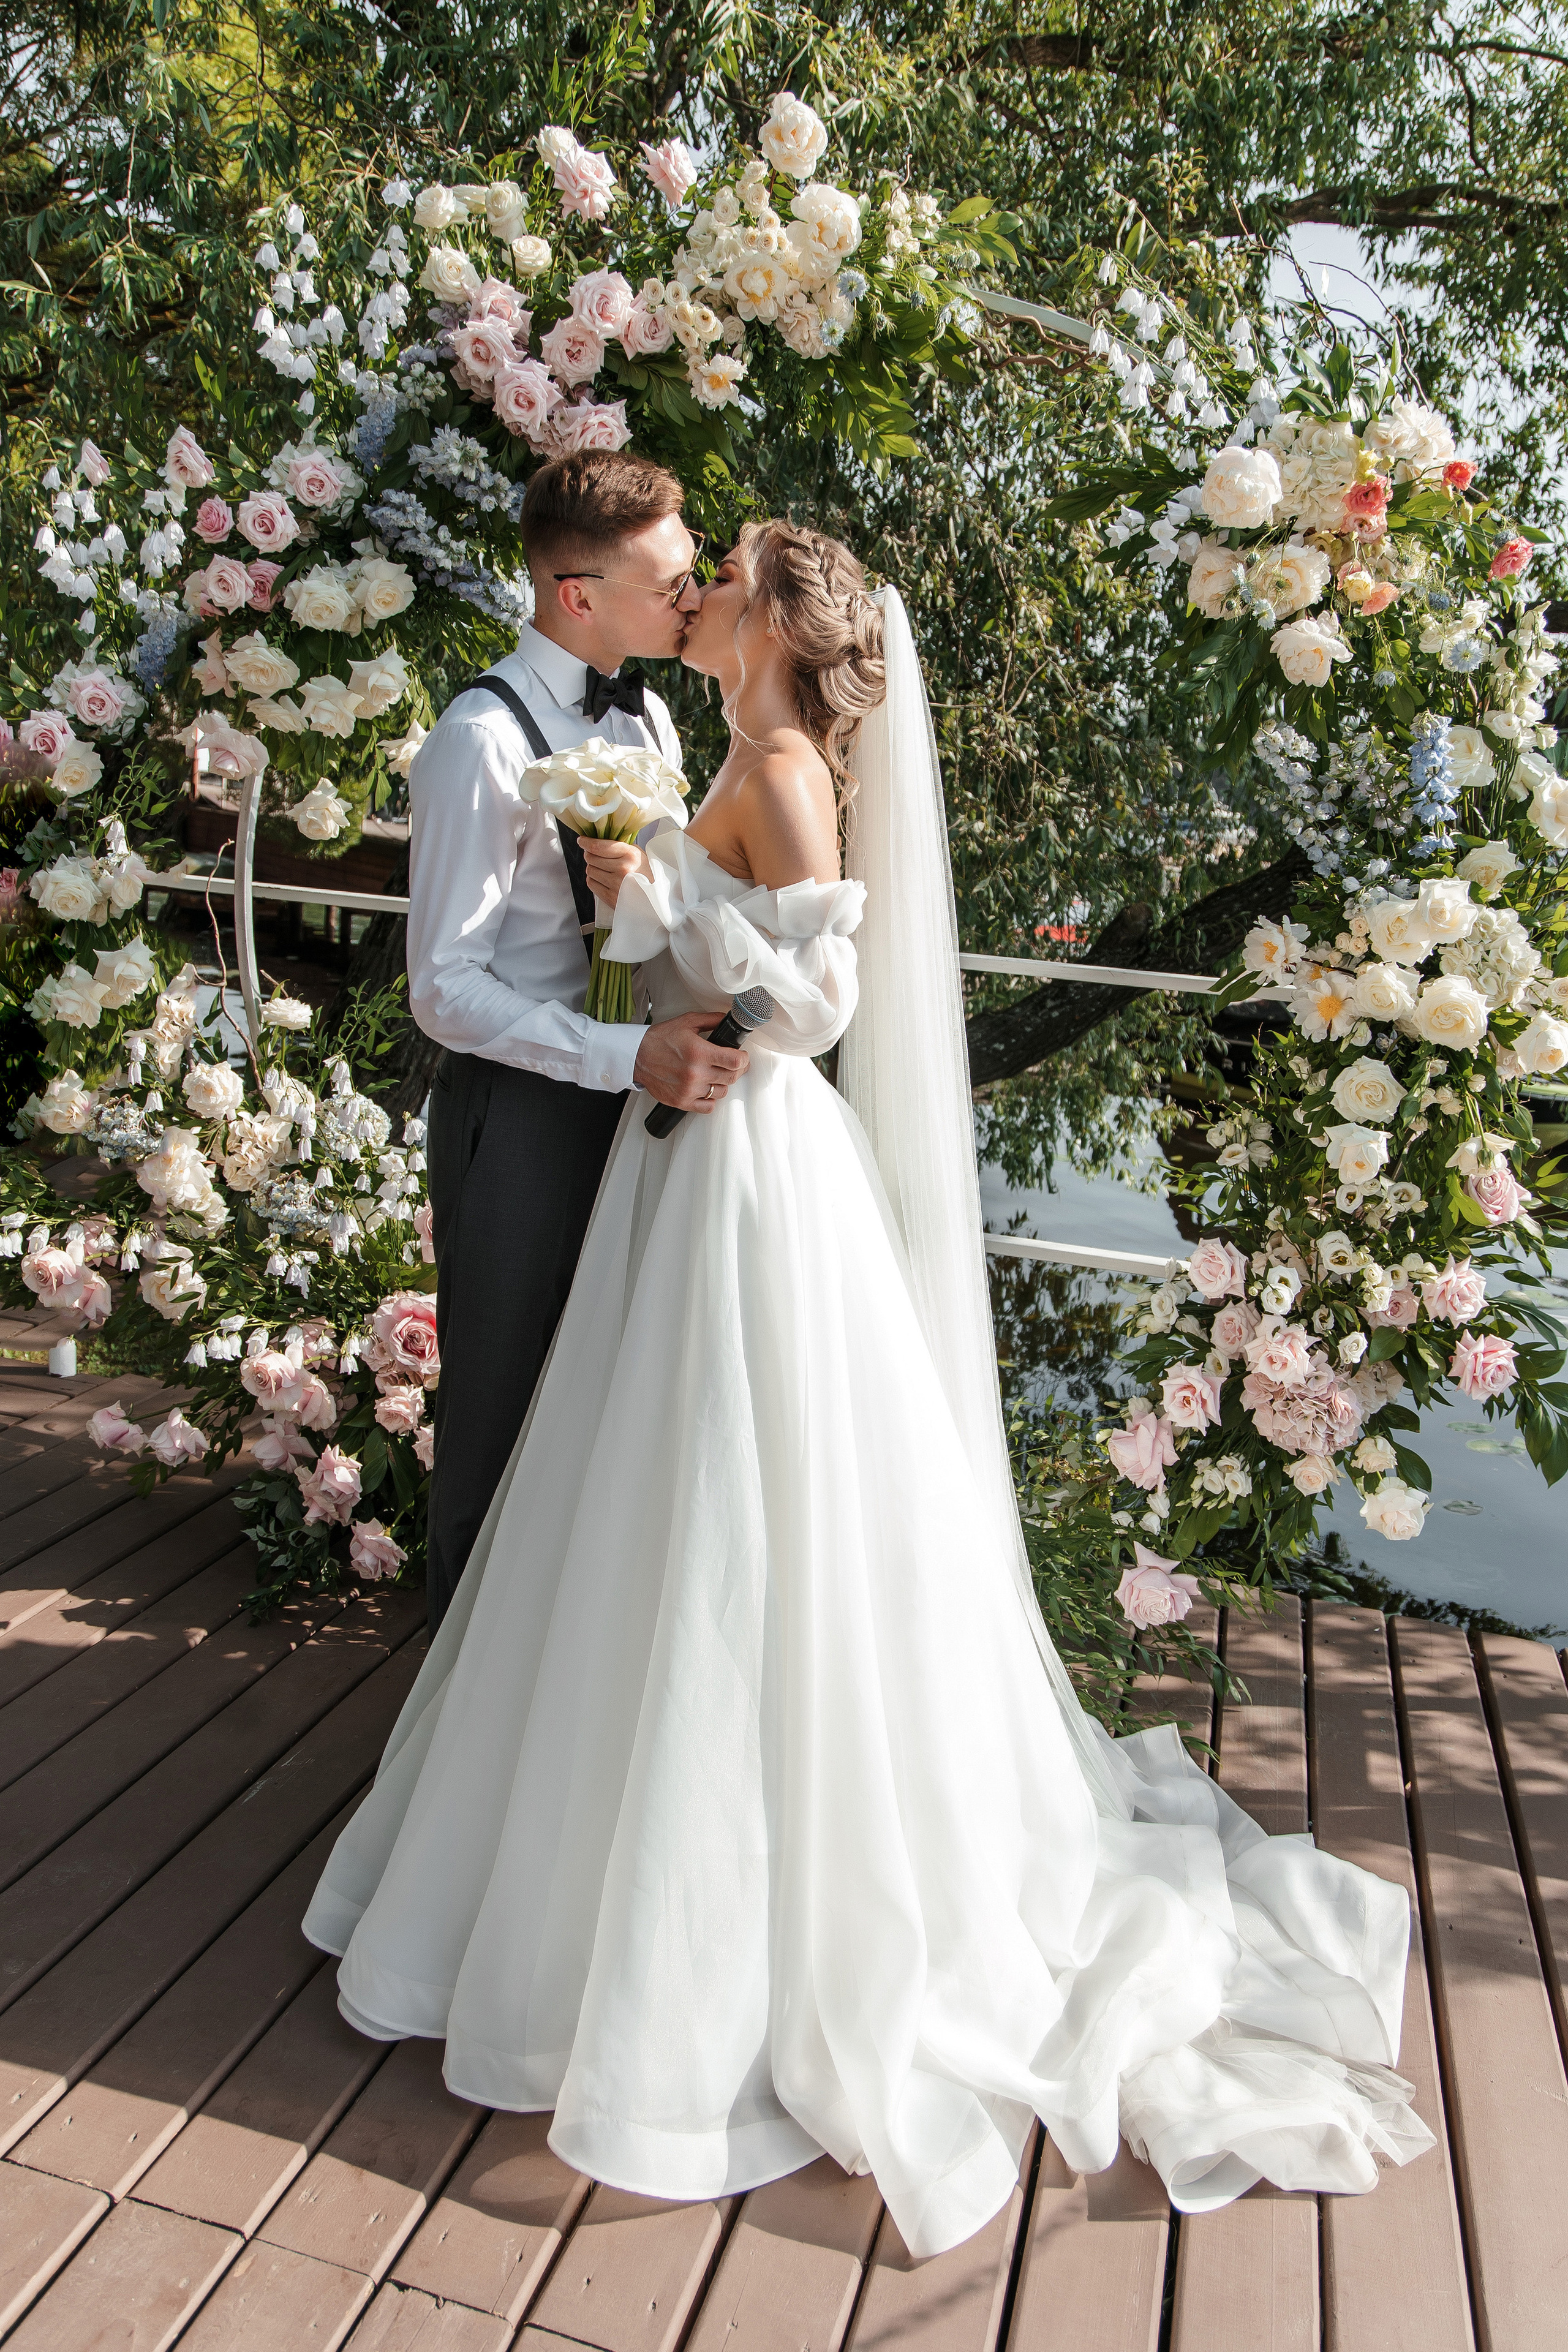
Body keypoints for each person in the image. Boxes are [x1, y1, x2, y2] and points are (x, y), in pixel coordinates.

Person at [307, 521, 1434, 2258]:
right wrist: (658, 901)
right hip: (694, 1165)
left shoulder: (772, 763)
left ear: (763, 620)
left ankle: (733, 1918)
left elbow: (821, 998)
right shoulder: (733, 748)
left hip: (753, 1162)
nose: (691, 599)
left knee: (745, 1516)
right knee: (667, 1507)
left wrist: (657, 899)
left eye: (716, 578)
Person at [405, 450, 750, 1630]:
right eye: (668, 581)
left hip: (639, 1105)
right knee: (498, 1415)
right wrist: (618, 1057)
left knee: (605, 1409)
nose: (691, 599)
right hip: (523, 1119)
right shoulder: (478, 739)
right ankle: (451, 1717)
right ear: (578, 595)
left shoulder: (653, 711)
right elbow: (441, 991)